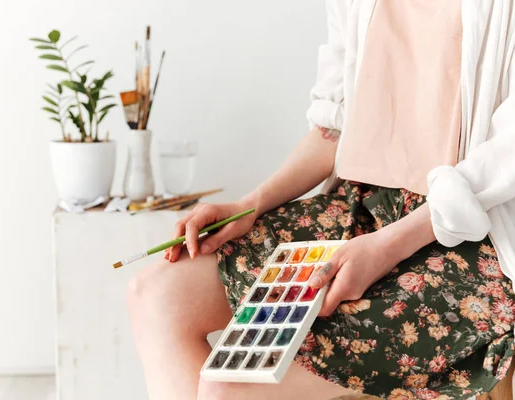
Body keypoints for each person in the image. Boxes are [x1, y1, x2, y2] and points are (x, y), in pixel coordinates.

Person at [127, 1, 515, 399]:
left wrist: (385, 248)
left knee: (233, 381)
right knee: (156, 296)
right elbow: (334, 128)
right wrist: (251, 204)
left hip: (472, 236)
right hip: (358, 209)